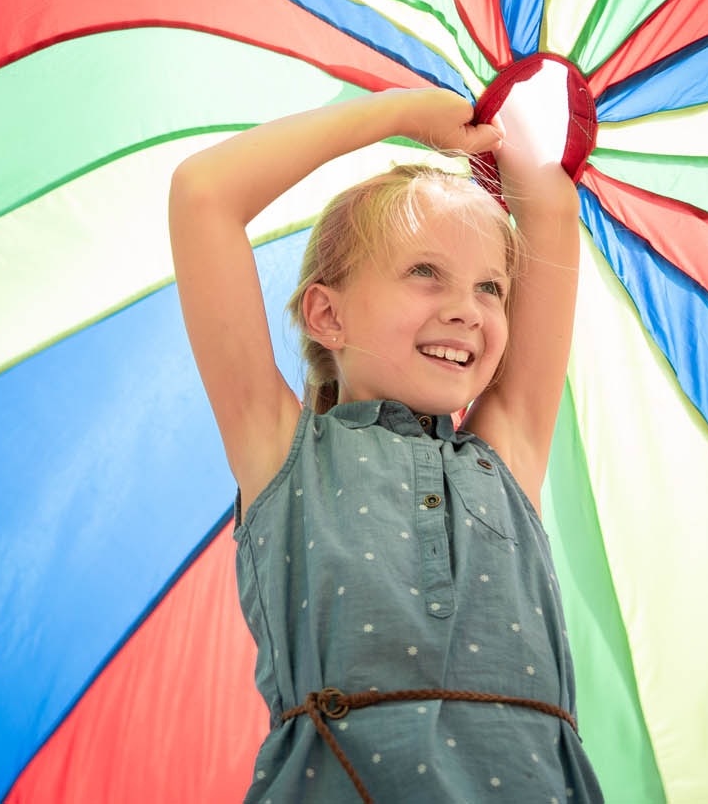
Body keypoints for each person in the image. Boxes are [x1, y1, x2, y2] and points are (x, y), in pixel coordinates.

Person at [169, 86, 605, 801]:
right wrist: (398, 114)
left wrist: (504, 108)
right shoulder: (283, 452)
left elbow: (550, 211)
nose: (465, 309)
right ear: (326, 314)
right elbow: (203, 193)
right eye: (424, 272)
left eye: (491, 287)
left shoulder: (507, 450)